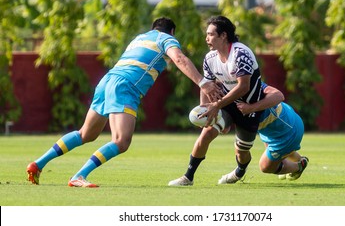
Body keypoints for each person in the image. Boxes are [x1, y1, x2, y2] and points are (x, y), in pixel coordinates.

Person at [26, 17, 221, 188]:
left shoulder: (138, 39)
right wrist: (203, 83)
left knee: (85, 133)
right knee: (121, 141)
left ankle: (38, 163)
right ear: (171, 32)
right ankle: (79, 176)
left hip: (107, 81)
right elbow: (179, 58)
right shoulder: (166, 38)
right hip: (125, 86)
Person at [168, 15, 266, 186]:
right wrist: (204, 108)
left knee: (242, 151)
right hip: (227, 105)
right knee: (206, 134)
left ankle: (240, 171)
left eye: (211, 34)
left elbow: (243, 87)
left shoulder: (241, 54)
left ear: (224, 36)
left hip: (249, 108)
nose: (207, 38)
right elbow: (206, 85)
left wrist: (217, 105)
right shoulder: (210, 58)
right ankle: (188, 177)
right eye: (206, 34)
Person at [236, 82, 309, 180]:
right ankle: (299, 160)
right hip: (275, 128)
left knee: (265, 166)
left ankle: (299, 166)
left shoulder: (249, 83)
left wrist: (250, 108)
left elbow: (278, 95)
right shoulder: (237, 83)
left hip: (288, 132)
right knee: (279, 154)